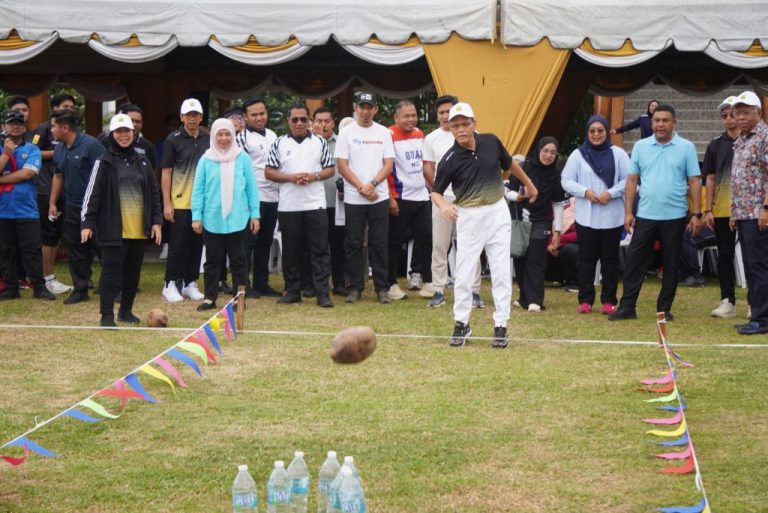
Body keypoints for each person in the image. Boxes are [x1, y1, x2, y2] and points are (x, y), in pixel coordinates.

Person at [432, 102, 537, 348]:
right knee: (464, 272)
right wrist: (444, 206)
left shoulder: (491, 141)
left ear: (473, 124)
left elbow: (509, 163)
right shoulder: (449, 159)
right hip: (468, 216)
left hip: (497, 212)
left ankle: (501, 325)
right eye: (455, 125)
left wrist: (529, 184)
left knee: (501, 270)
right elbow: (435, 192)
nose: (460, 129)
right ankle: (461, 323)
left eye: (464, 124)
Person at [609, 104, 701, 321]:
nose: (660, 124)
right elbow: (632, 180)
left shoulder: (686, 147)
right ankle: (627, 307)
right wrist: (628, 212)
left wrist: (696, 213)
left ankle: (664, 309)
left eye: (665, 120)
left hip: (675, 215)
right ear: (651, 123)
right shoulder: (641, 146)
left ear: (674, 123)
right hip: (645, 214)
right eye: (657, 120)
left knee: (671, 263)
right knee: (634, 262)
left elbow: (694, 181)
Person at [80, 114, 163, 326]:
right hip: (112, 229)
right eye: (119, 132)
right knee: (111, 273)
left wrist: (156, 221)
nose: (124, 135)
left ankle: (126, 311)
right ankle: (106, 315)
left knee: (132, 275)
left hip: (138, 230)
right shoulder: (104, 161)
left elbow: (154, 194)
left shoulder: (143, 161)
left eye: (127, 131)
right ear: (112, 135)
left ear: (133, 133)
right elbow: (92, 193)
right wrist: (87, 223)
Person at [265, 104, 335, 307]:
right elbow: (269, 171)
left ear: (309, 121)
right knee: (291, 250)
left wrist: (314, 176)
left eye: (303, 119)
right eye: (295, 119)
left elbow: (330, 169)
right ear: (288, 121)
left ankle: (322, 293)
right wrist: (290, 178)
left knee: (320, 250)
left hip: (315, 204)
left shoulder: (320, 142)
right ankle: (293, 290)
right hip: (288, 206)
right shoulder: (279, 143)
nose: (299, 123)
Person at [561, 115, 629, 315]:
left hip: (612, 216)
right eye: (592, 131)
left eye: (600, 130)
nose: (596, 134)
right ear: (587, 133)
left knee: (610, 260)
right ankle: (585, 300)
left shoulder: (618, 154)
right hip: (586, 216)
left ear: (607, 132)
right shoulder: (578, 155)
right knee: (586, 259)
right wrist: (584, 192)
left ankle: (609, 300)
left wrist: (611, 192)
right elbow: (566, 180)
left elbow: (629, 180)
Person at [191, 118, 260, 311]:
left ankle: (240, 298)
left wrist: (255, 215)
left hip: (238, 218)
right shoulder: (206, 159)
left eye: (227, 134)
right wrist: (196, 216)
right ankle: (210, 298)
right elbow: (198, 190)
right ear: (213, 135)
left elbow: (251, 189)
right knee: (213, 260)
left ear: (233, 135)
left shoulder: (242, 157)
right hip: (212, 218)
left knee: (239, 260)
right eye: (219, 134)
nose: (223, 138)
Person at [423, 95, 484, 309]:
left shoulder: (473, 135)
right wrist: (439, 193)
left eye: (449, 112)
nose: (446, 117)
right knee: (440, 245)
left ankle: (474, 291)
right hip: (443, 198)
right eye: (442, 113)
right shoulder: (431, 138)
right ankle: (438, 289)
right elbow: (429, 168)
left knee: (471, 244)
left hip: (469, 197)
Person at [335, 92, 395, 304]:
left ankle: (382, 288)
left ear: (376, 109)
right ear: (355, 107)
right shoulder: (346, 133)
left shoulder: (383, 132)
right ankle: (354, 286)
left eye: (370, 107)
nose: (366, 111)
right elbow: (342, 165)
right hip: (354, 197)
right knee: (353, 242)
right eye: (362, 107)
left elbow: (388, 164)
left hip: (378, 196)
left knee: (379, 242)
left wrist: (373, 185)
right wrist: (362, 187)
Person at [49, 109, 104, 304]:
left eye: (54, 126)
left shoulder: (92, 146)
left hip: (96, 208)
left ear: (65, 127)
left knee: (102, 248)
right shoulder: (59, 148)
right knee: (75, 248)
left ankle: (113, 288)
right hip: (72, 206)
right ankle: (81, 289)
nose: (51, 130)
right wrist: (52, 202)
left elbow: (104, 176)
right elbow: (58, 175)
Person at [0, 109, 55, 301]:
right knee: (6, 251)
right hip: (3, 211)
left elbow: (28, 174)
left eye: (20, 123)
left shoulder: (32, 149)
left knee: (32, 250)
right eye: (11, 123)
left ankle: (39, 287)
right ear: (3, 126)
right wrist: (7, 154)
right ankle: (10, 288)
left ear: (24, 127)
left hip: (27, 210)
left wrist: (2, 179)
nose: (16, 126)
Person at [509, 137, 568, 312]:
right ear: (539, 150)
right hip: (521, 219)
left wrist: (557, 230)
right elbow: (506, 191)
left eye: (552, 152)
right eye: (545, 151)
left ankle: (535, 300)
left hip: (542, 220)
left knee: (535, 259)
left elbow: (558, 203)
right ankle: (524, 297)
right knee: (520, 258)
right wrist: (518, 197)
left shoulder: (556, 174)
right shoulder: (523, 167)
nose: (548, 155)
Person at [160, 98, 210, 303]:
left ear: (201, 117)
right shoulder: (173, 139)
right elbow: (166, 173)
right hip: (180, 202)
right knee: (178, 245)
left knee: (196, 244)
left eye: (196, 115)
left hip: (202, 203)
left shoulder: (208, 138)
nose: (192, 119)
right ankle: (170, 283)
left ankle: (190, 283)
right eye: (188, 115)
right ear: (181, 117)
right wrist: (167, 203)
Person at [729, 91, 768, 335]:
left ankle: (762, 319)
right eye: (738, 113)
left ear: (759, 113)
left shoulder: (764, 137)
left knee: (759, 266)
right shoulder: (742, 139)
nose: (741, 117)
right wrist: (734, 212)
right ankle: (756, 313)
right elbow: (739, 178)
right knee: (750, 264)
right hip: (743, 214)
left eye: (746, 112)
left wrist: (766, 207)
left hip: (758, 213)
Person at [387, 100, 433, 300]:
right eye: (406, 116)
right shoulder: (388, 136)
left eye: (413, 115)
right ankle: (391, 284)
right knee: (394, 242)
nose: (411, 119)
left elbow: (424, 165)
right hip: (400, 197)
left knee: (427, 239)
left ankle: (429, 282)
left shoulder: (419, 133)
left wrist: (435, 187)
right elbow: (386, 168)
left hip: (422, 196)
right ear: (396, 117)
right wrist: (390, 197)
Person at [31, 93, 76, 295]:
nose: (69, 109)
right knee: (48, 234)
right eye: (65, 106)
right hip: (45, 188)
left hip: (64, 188)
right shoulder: (44, 129)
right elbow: (32, 152)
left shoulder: (71, 130)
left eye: (72, 107)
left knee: (56, 234)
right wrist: (58, 151)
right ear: (55, 108)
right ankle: (46, 278)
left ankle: (50, 276)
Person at [701, 95, 741, 318]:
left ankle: (757, 302)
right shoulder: (715, 144)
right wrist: (708, 210)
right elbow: (711, 179)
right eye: (724, 116)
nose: (728, 119)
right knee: (725, 256)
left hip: (749, 210)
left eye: (732, 114)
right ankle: (728, 301)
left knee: (753, 257)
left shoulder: (753, 141)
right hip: (722, 210)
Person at [235, 97, 279, 298]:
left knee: (265, 242)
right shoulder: (241, 137)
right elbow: (240, 169)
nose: (259, 117)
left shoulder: (273, 135)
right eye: (254, 114)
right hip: (252, 198)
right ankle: (243, 285)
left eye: (262, 113)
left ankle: (262, 283)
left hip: (273, 197)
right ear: (245, 117)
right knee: (248, 244)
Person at [312, 106, 347, 296]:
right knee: (314, 246)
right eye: (319, 121)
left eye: (327, 121)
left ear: (333, 123)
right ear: (313, 123)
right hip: (312, 204)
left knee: (338, 244)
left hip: (336, 202)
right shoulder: (307, 144)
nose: (323, 125)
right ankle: (313, 283)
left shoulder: (341, 142)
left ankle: (339, 282)